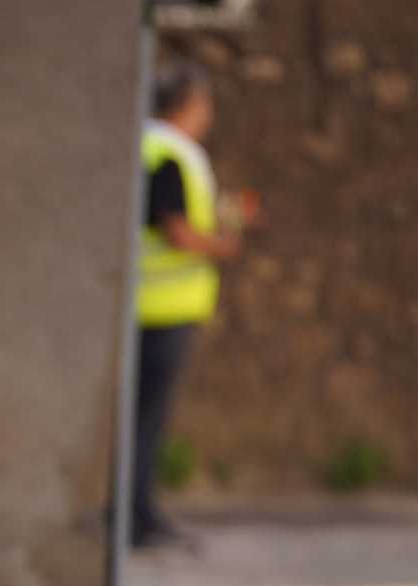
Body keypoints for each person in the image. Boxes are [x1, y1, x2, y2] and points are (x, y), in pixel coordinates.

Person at [132, 63, 252, 550]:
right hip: (161, 307)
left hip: (148, 303)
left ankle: (136, 513)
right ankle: (137, 518)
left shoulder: (146, 145)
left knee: (140, 418)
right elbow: (176, 231)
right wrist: (224, 244)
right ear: (192, 104)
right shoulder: (170, 153)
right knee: (145, 419)